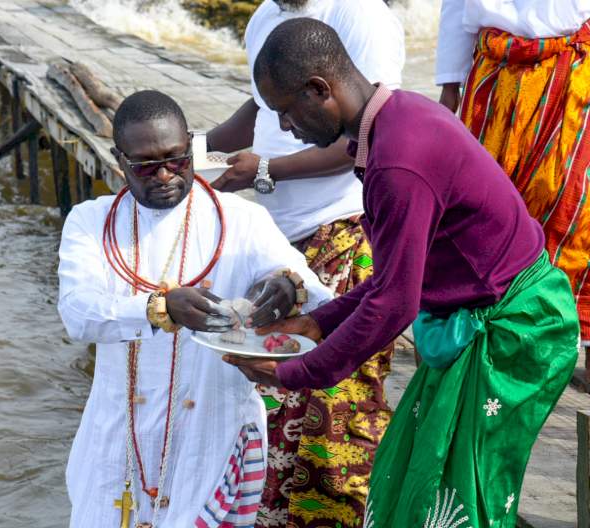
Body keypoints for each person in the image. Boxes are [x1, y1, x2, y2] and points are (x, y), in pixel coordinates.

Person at [225, 18, 579, 527]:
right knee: (409, 482)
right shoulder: (396, 118)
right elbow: (393, 281)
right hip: (473, 317)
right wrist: (318, 324)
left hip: (514, 333)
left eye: (285, 112)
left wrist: (298, 372)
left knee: (457, 504)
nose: (285, 129)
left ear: (319, 90)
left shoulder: (397, 161)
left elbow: (395, 304)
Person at [57, 90, 331, 528]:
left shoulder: (241, 220)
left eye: (177, 160)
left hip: (211, 433)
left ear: (191, 148)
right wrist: (159, 307)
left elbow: (316, 294)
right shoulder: (91, 222)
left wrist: (286, 287)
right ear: (119, 160)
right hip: (118, 442)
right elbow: (78, 313)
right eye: (146, 166)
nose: (165, 175)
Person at [206, 2, 404, 526]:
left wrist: (268, 169)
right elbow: (254, 113)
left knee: (335, 418)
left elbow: (364, 137)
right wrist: (185, 150)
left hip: (347, 227)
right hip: (282, 242)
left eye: (291, 116)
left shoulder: (360, 17)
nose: (285, 125)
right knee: (275, 411)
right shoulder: (264, 19)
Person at [437, 1, 590, 362]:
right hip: (494, 76)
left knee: (575, 209)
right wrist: (449, 84)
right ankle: (495, 334)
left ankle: (575, 335)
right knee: (486, 212)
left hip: (573, 70)